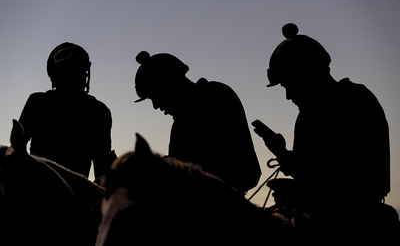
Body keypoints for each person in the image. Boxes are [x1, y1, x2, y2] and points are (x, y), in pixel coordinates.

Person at [253, 23, 397, 240]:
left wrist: (301, 193)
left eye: (289, 85)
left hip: (357, 227)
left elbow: (360, 180)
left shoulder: (355, 101)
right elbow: (311, 170)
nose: (288, 96)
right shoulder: (308, 116)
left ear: (310, 74)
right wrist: (281, 151)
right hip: (321, 220)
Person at [134, 51, 261, 194]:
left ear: (170, 85)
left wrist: (167, 165)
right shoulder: (179, 126)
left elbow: (225, 159)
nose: (156, 106)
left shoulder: (215, 96)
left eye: (155, 96)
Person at [19, 42, 116, 179]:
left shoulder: (99, 110)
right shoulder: (37, 102)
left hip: (65, 193)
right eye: (70, 72)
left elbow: (102, 165)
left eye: (80, 71)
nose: (77, 77)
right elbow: (17, 147)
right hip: (41, 189)